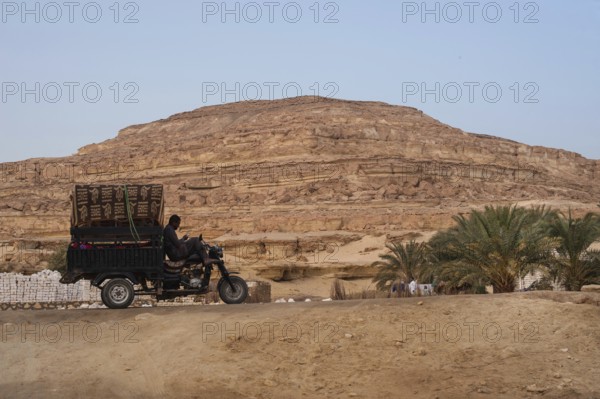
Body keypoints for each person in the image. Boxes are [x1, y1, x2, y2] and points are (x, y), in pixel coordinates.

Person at [163, 214, 212, 288]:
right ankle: (206, 259)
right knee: (195, 240)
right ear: (173, 222)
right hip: (176, 254)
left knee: (194, 244)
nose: (178, 226)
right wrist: (184, 239)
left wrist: (183, 240)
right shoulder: (169, 230)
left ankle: (203, 261)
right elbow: (177, 244)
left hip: (175, 252)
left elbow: (175, 243)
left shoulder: (168, 229)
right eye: (178, 224)